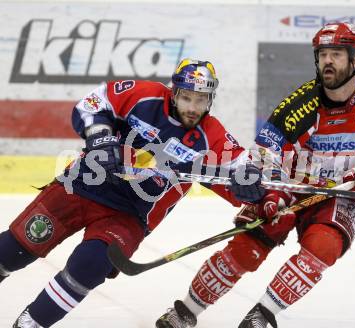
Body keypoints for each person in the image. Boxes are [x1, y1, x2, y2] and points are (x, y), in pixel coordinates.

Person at [156, 23, 355, 328]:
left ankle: (261, 316)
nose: (328, 61)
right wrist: (272, 194)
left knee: (324, 245)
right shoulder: (299, 104)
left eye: (337, 55)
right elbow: (264, 152)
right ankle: (185, 312)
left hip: (344, 190)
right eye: (323, 54)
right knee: (247, 246)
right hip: (291, 185)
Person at [0, 58, 266, 327]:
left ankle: (29, 323)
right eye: (186, 97)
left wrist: (251, 184)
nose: (193, 108)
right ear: (173, 92)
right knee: (13, 250)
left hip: (129, 215)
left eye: (201, 99)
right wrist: (101, 140)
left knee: (90, 265)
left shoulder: (212, 135)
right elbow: (93, 104)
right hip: (81, 186)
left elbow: (243, 168)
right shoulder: (144, 96)